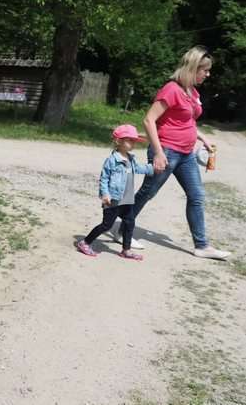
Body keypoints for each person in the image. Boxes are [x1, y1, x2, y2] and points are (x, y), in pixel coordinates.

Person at [112, 46, 230, 259]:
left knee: (196, 196)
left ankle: (201, 246)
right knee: (148, 192)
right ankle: (120, 229)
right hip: (166, 151)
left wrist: (202, 137)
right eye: (205, 70)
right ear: (193, 68)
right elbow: (149, 120)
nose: (208, 74)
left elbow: (187, 121)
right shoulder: (171, 89)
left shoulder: (192, 92)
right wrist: (158, 153)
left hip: (186, 154)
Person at [76, 124, 153, 260]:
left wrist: (153, 168)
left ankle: (126, 250)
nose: (133, 143)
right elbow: (104, 179)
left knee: (129, 222)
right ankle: (85, 242)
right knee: (106, 225)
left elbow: (139, 169)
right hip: (113, 199)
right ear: (118, 141)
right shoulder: (112, 161)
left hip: (127, 200)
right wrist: (105, 194)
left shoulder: (131, 158)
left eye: (134, 141)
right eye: (130, 140)